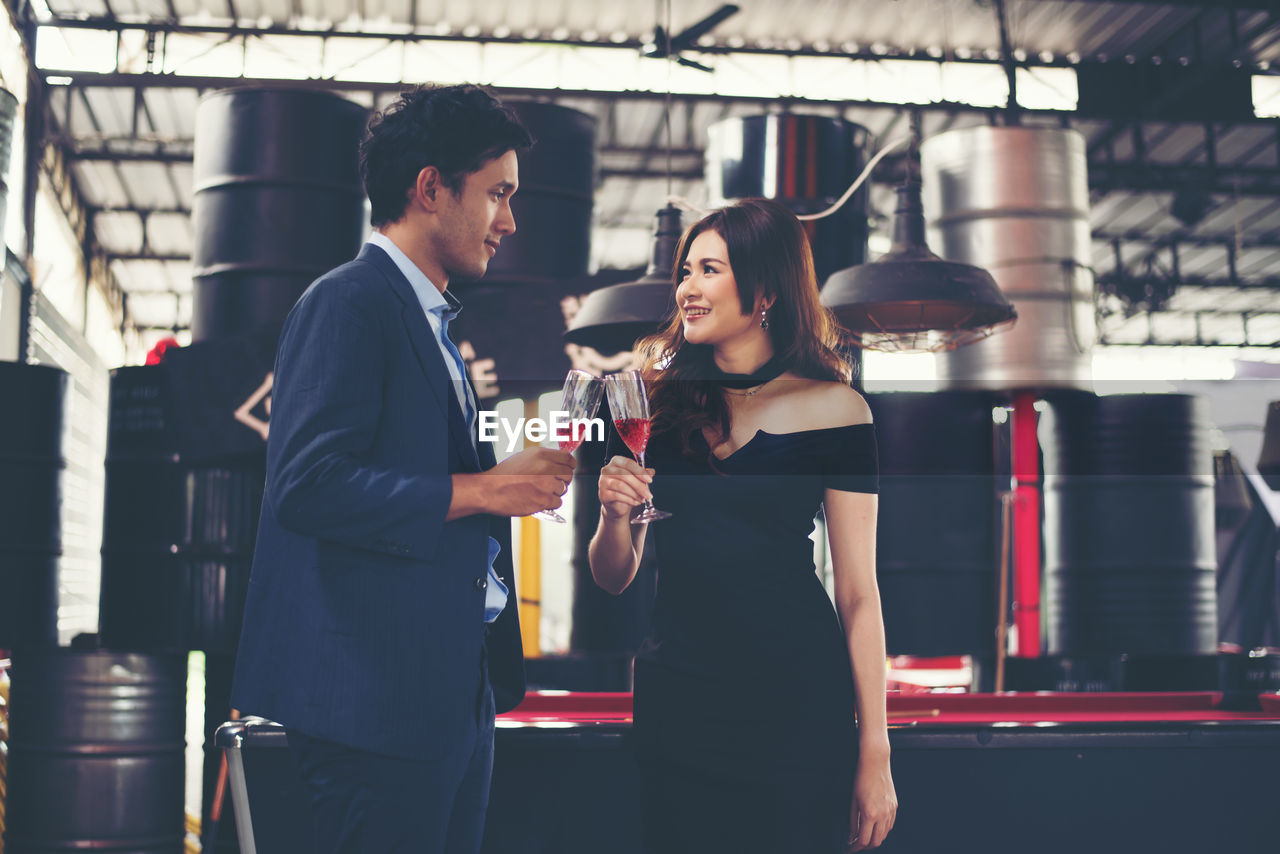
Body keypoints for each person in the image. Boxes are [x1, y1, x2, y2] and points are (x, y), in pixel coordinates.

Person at [230, 84, 575, 854]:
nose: (510, 221)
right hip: (373, 704)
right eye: (497, 194)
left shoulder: (433, 319)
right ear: (429, 188)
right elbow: (307, 486)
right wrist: (486, 488)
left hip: (448, 691)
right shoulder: (348, 302)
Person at [589, 198, 898, 853]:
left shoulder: (836, 407)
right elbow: (613, 575)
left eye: (709, 270)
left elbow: (858, 593)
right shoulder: (652, 402)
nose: (687, 289)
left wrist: (876, 751)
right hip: (679, 702)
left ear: (763, 290)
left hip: (796, 703)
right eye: (685, 271)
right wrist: (615, 515)